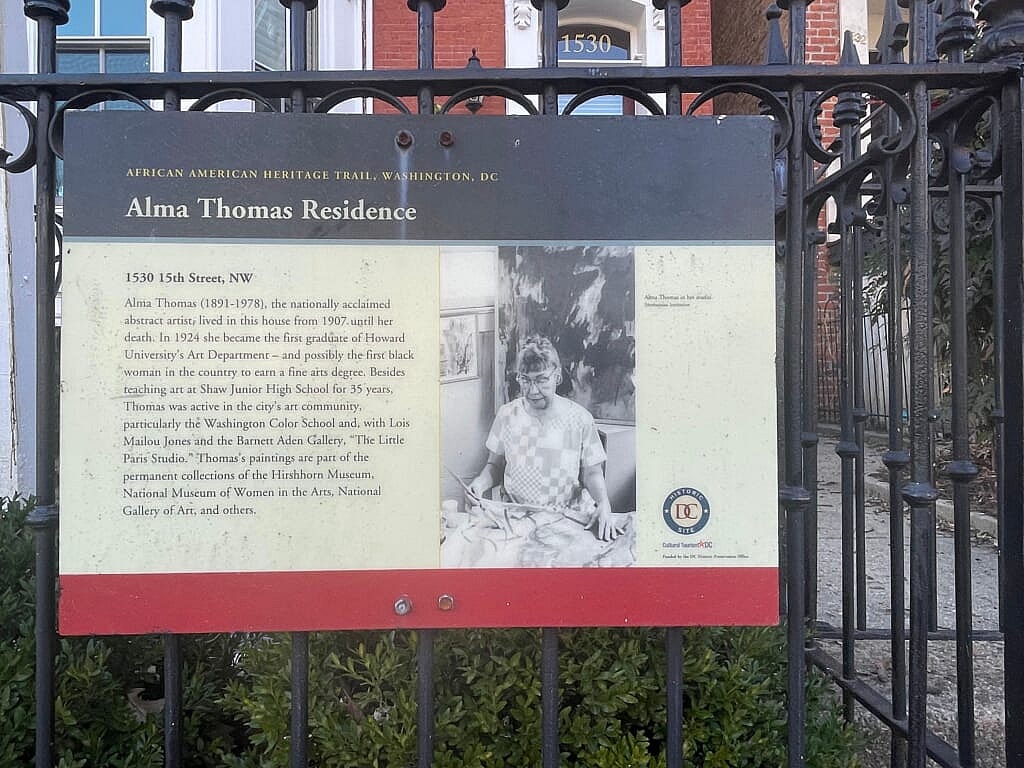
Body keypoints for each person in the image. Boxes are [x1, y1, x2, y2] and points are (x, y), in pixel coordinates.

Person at [467, 335, 622, 541]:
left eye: (541, 380)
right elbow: (495, 466)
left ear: (557, 377)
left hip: (567, 518)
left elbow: (592, 473)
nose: (532, 390)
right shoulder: (507, 415)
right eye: (525, 380)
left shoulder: (580, 419)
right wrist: (479, 484)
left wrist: (603, 503)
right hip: (517, 519)